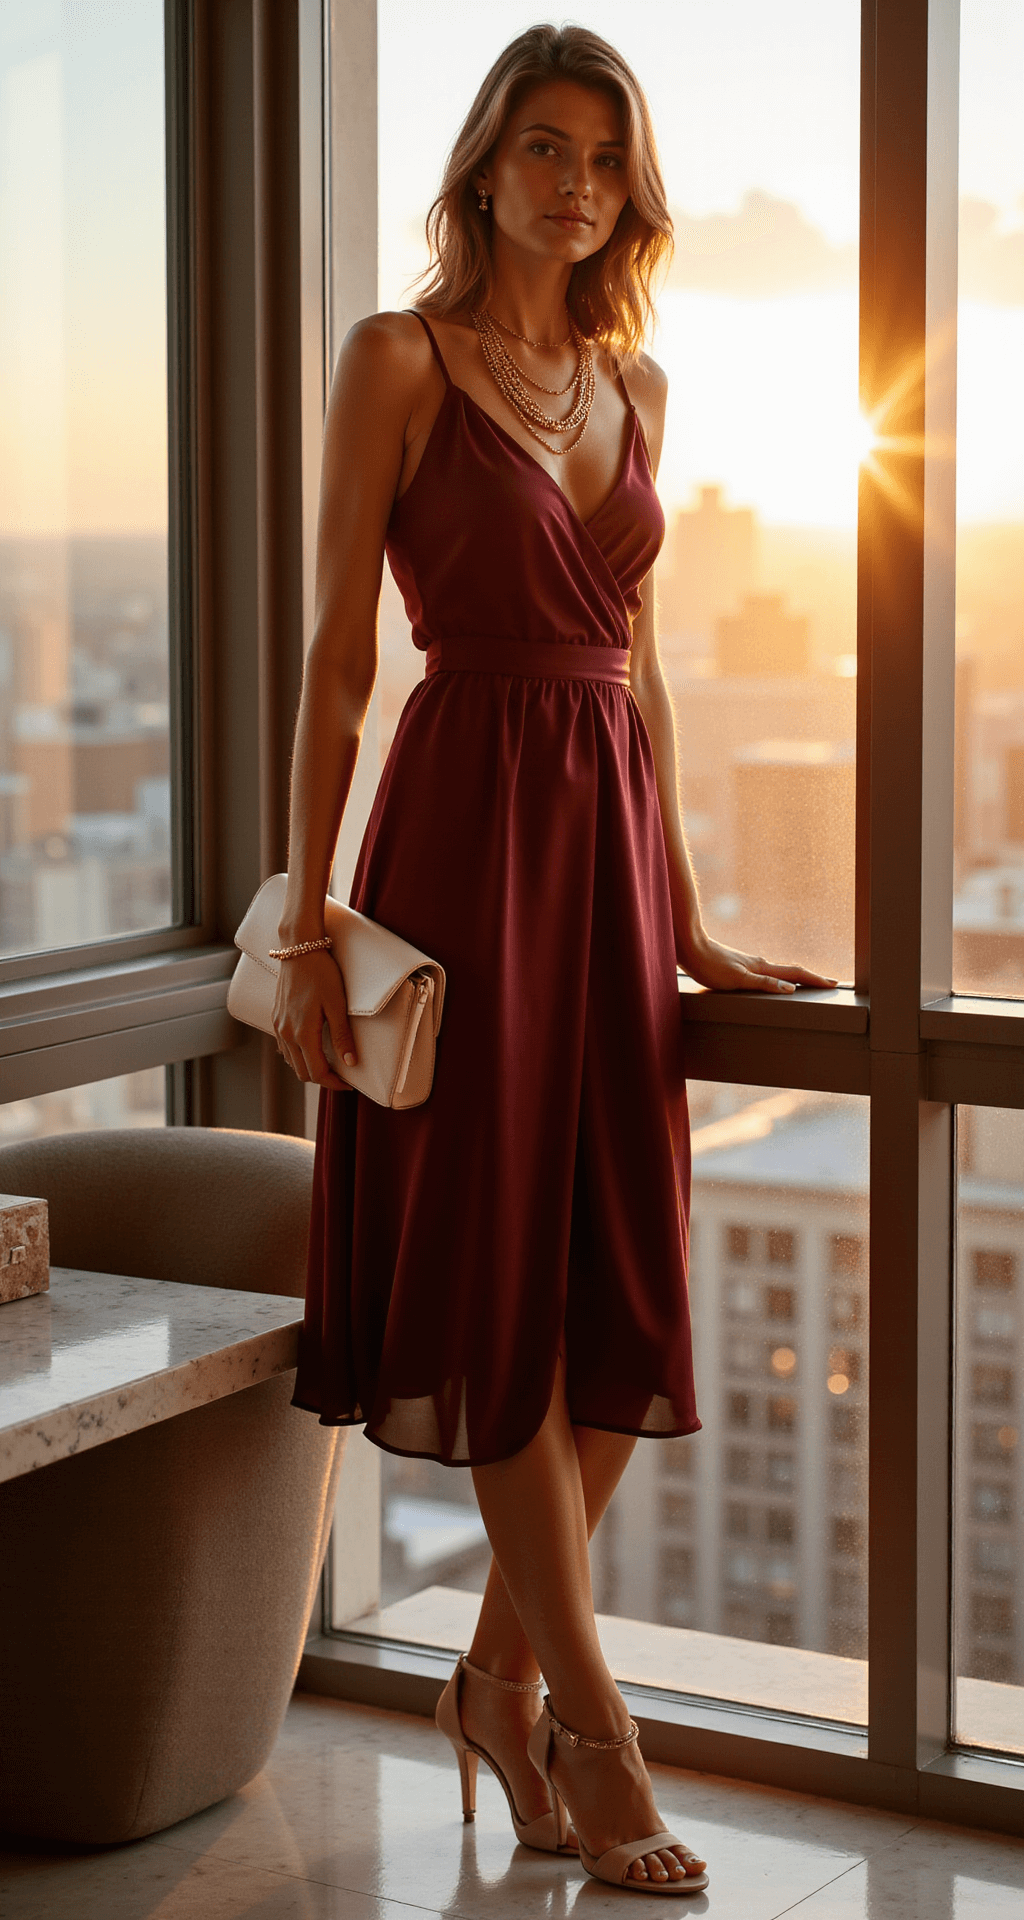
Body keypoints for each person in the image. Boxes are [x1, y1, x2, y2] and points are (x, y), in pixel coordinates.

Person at [273, 22, 834, 1896]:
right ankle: (600, 1739)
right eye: (541, 144)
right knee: (506, 1287)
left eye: (604, 152)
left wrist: (681, 915)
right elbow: (341, 659)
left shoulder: (641, 384)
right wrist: (302, 919)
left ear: (626, 187)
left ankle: (501, 1683)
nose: (574, 179)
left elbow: (647, 670)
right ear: (485, 166)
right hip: (460, 842)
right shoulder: (398, 360)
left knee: (618, 1297)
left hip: (596, 862)